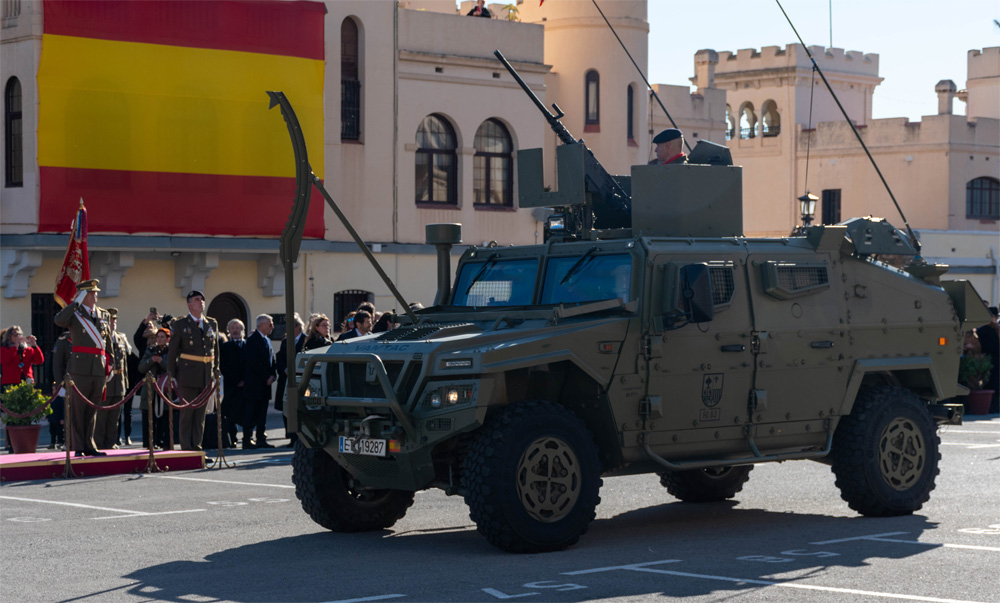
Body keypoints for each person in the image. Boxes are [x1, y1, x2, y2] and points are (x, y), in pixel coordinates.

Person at [53, 279, 113, 457]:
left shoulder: (103, 314)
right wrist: (74, 303)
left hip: (98, 368)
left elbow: (107, 340)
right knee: (78, 409)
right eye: (91, 293)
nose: (95, 296)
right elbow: (58, 320)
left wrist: (111, 363)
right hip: (79, 368)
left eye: (95, 293)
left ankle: (89, 443)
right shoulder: (74, 313)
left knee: (93, 407)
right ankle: (78, 445)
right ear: (82, 295)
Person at [166, 290, 220, 451]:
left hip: (206, 374)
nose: (201, 302)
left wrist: (216, 369)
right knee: (187, 413)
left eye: (202, 299)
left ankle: (197, 447)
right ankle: (186, 448)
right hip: (187, 374)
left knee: (200, 414)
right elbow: (172, 351)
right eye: (197, 300)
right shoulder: (181, 324)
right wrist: (171, 373)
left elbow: (215, 349)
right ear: (190, 305)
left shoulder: (212, 323)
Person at [95, 308, 130, 449]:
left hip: (119, 382)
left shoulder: (121, 338)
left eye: (115, 320)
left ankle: (111, 442)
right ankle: (99, 443)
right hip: (106, 382)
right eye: (110, 320)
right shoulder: (99, 338)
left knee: (115, 417)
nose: (113, 323)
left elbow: (124, 363)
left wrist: (125, 382)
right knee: (102, 416)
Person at [242, 314, 277, 449]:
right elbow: (253, 363)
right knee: (250, 413)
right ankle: (247, 439)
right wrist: (265, 377)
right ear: (261, 325)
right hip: (254, 384)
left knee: (262, 413)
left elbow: (271, 360)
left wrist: (273, 374)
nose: (272, 327)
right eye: (270, 324)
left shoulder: (267, 340)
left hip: (265, 385)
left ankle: (261, 438)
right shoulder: (252, 340)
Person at [275, 313, 304, 447]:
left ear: (298, 327)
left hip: (300, 379)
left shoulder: (305, 339)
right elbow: (280, 358)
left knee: (297, 408)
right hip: (286, 379)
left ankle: (298, 437)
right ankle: (290, 435)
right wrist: (284, 369)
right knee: (286, 407)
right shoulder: (285, 341)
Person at [138, 327, 170, 448]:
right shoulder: (150, 350)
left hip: (165, 388)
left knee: (164, 415)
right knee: (149, 415)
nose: (160, 339)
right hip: (150, 388)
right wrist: (151, 360)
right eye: (158, 337)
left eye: (162, 337)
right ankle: (149, 442)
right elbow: (141, 368)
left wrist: (161, 361)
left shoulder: (171, 351)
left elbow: (173, 367)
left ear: (168, 339)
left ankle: (163, 441)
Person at [219, 319, 247, 448]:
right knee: (230, 414)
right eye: (232, 328)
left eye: (238, 328)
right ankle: (232, 438)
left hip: (246, 385)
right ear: (229, 331)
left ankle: (248, 438)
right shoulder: (224, 347)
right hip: (231, 386)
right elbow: (223, 366)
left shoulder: (248, 345)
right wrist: (236, 381)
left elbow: (251, 365)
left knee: (247, 412)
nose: (235, 330)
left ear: (242, 330)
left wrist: (245, 380)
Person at [975, 306, 1000, 413]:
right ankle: (992, 407)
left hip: (995, 360)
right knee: (991, 384)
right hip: (990, 359)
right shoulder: (985, 330)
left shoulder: (995, 329)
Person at [48, 331, 70, 449]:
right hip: (65, 383)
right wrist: (58, 385)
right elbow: (55, 366)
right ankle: (66, 441)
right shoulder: (62, 343)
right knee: (64, 415)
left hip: (77, 382)